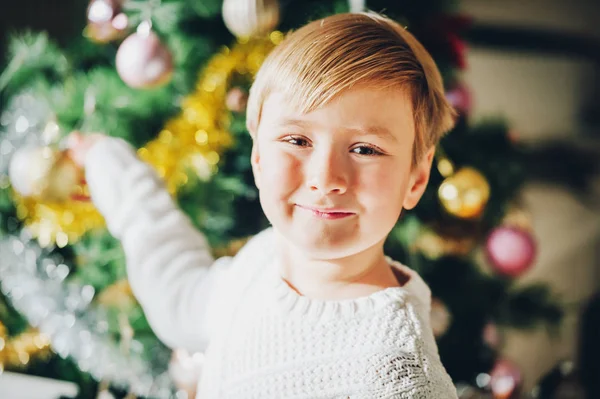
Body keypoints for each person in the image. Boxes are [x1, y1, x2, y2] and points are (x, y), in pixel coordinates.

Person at [68, 11, 458, 399]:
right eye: (297, 140)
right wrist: (108, 163)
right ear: (257, 157)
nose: (325, 178)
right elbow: (182, 298)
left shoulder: (401, 380)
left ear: (416, 178)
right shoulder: (262, 261)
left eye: (365, 149)